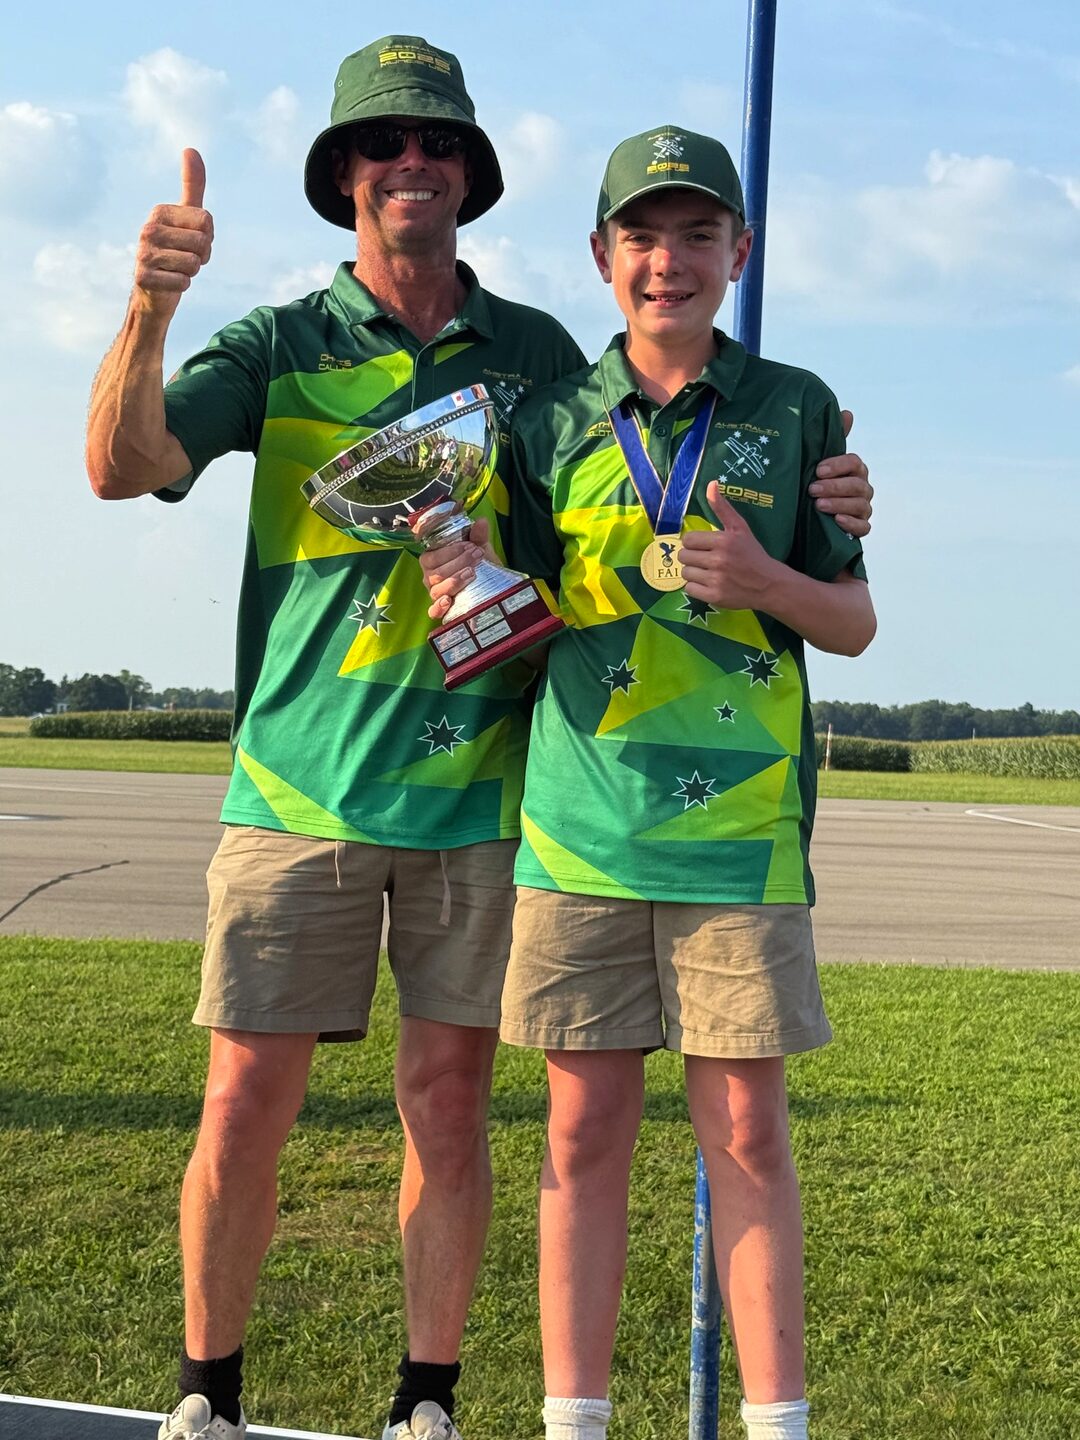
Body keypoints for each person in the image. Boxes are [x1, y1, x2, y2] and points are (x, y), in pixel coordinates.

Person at [84, 28, 874, 1440]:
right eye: (385, 141)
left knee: (449, 1105)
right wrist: (150, 307)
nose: (414, 161)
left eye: (439, 141)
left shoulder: (540, 360)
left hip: (487, 796)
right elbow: (122, 466)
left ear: (472, 173)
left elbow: (592, 539)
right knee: (244, 1102)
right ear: (343, 172)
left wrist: (817, 483)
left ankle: (427, 1401)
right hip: (297, 784)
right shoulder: (278, 342)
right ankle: (208, 1395)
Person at [424, 126, 876, 1440]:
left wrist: (769, 581)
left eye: (696, 234)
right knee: (580, 1139)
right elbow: (512, 634)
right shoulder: (553, 421)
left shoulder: (797, 408)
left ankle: (778, 1425)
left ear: (742, 251)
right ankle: (575, 1424)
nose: (667, 260)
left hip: (741, 838)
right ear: (599, 255)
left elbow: (852, 624)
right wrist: (465, 586)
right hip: (580, 832)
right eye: (642, 235)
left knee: (748, 1136)